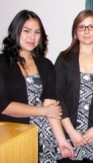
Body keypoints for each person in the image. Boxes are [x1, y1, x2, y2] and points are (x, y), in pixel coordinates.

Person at [0, 10, 74, 162]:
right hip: (16, 137)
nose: (32, 37)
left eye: (37, 32)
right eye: (26, 31)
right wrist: (43, 111)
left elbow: (51, 105)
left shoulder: (45, 64)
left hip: (46, 137)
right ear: (15, 30)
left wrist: (61, 141)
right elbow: (4, 106)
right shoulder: (2, 63)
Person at [55, 10, 93, 163]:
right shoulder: (64, 58)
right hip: (68, 133)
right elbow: (58, 96)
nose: (86, 31)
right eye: (81, 27)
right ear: (75, 31)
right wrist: (71, 131)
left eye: (91, 26)